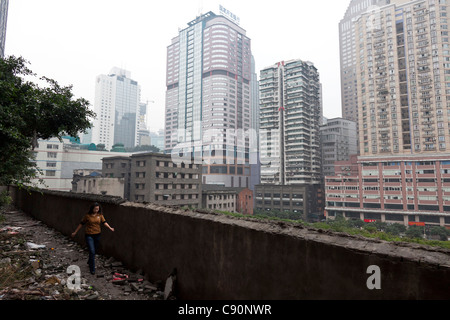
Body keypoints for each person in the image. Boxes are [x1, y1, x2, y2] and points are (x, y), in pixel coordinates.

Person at [71, 202, 114, 275]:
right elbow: (81, 224)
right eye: (95, 209)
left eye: (98, 209)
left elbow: (104, 222)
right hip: (89, 235)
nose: (97, 210)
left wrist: (110, 227)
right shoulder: (87, 216)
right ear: (92, 209)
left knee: (95, 250)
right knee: (92, 250)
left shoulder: (100, 215)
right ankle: (92, 268)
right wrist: (75, 232)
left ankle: (89, 260)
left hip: (97, 235)